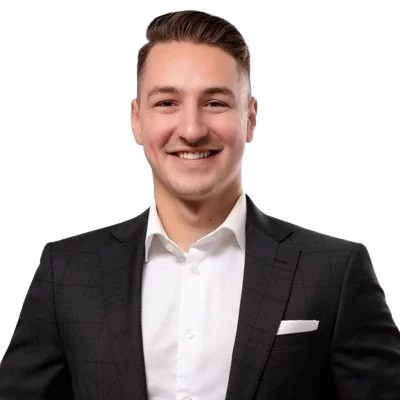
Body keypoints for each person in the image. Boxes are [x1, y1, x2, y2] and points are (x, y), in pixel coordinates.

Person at [1, 9, 399, 400]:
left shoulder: (337, 270)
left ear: (250, 119)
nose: (191, 130)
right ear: (136, 120)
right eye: (167, 103)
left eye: (215, 103)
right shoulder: (65, 270)